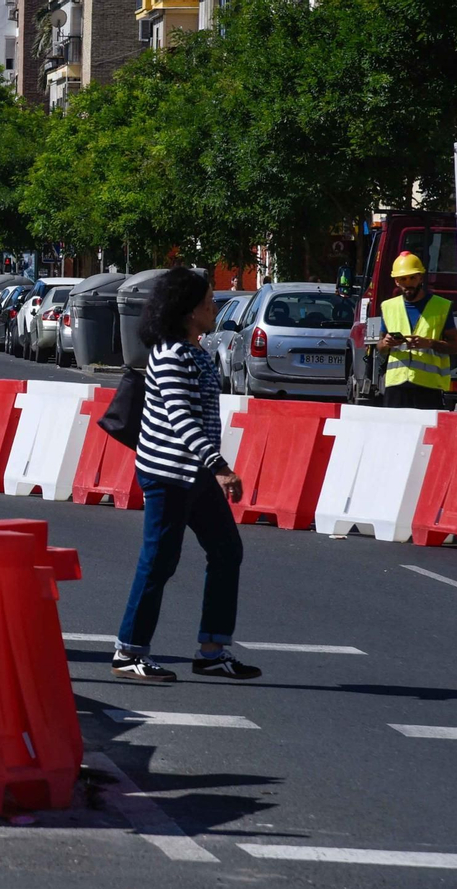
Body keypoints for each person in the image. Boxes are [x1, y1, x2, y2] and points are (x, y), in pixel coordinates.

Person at [114, 267, 259, 684]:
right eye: (208, 302)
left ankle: (213, 650)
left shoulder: (196, 352)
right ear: (187, 310)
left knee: (227, 550)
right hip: (168, 473)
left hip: (194, 474)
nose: (214, 308)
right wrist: (220, 466)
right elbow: (181, 418)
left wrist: (209, 467)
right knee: (159, 561)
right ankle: (129, 651)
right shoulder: (172, 354)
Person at [376, 251, 457, 410]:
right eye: (403, 279)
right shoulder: (388, 307)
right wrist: (386, 343)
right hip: (396, 385)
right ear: (396, 281)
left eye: (412, 277)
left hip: (428, 387)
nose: (408, 283)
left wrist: (429, 343)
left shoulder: (441, 306)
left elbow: (455, 347)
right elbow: (380, 348)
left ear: (421, 277)